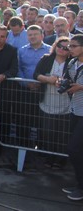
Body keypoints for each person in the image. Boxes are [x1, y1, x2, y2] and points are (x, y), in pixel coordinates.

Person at [34, 37, 71, 167]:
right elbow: (36, 74)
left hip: (66, 103)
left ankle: (61, 160)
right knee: (48, 131)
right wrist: (48, 79)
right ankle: (48, 158)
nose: (62, 49)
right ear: (55, 46)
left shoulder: (72, 62)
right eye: (60, 46)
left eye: (66, 48)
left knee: (62, 133)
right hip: (47, 102)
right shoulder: (46, 59)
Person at [62, 34, 83, 201]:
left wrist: (81, 87)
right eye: (70, 46)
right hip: (75, 110)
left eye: (74, 46)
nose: (70, 49)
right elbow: (68, 82)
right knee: (77, 151)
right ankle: (79, 184)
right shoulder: (72, 63)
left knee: (74, 149)